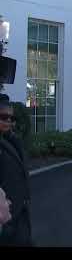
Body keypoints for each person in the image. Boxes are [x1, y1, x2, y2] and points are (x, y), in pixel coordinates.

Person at [0, 93, 33, 246]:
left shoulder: (11, 140)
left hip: (20, 210)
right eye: (4, 117)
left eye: (11, 118)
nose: (9, 121)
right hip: (6, 218)